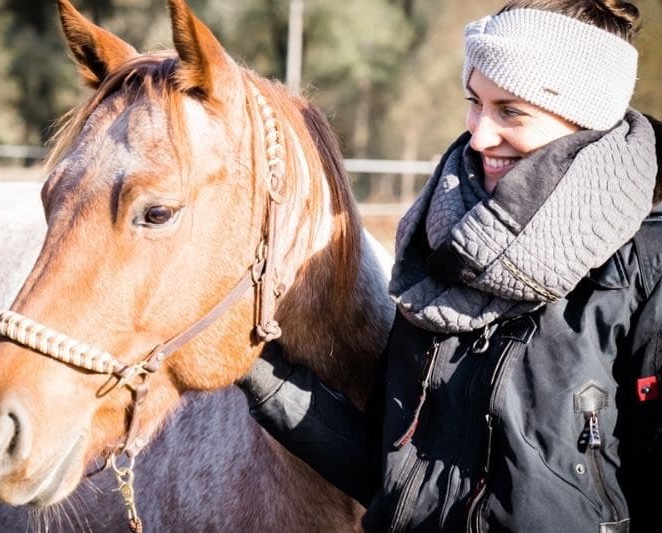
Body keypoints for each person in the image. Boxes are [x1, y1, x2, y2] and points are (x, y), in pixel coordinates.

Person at [238, 0, 662, 531]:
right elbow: (389, 471)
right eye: (475, 102)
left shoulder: (646, 268)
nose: (479, 135)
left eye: (511, 111)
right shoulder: (440, 245)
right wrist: (256, 370)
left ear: (586, 118)